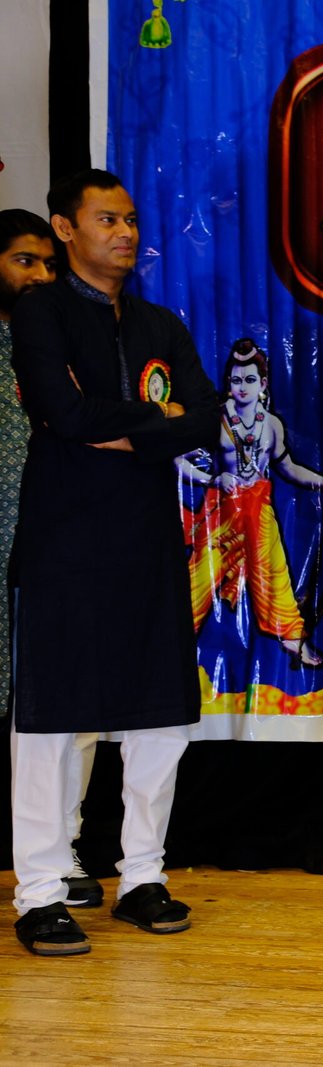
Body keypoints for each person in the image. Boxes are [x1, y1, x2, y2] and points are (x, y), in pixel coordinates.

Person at [9, 170, 217, 955]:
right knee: (51, 719)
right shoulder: (43, 310)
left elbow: (205, 419)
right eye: (107, 219)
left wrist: (130, 427)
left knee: (161, 713)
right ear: (65, 229)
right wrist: (156, 418)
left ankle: (142, 876)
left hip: (145, 540)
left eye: (130, 219)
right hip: (65, 541)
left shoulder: (160, 322)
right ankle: (40, 889)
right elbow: (62, 413)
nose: (125, 232)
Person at [0, 209, 100, 911]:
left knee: (68, 704)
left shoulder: (75, 343)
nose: (39, 275)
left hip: (60, 547)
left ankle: (61, 847)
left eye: (48, 264)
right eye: (22, 261)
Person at [180, 338, 323, 667]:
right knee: (198, 577)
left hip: (259, 509)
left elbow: (288, 468)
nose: (241, 387)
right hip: (222, 512)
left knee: (274, 574)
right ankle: (173, 645)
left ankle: (292, 638)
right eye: (235, 380)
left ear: (262, 383)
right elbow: (178, 459)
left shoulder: (271, 425)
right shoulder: (214, 419)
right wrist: (212, 479)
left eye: (249, 379)